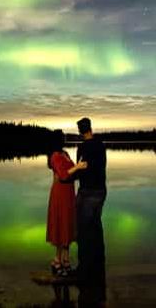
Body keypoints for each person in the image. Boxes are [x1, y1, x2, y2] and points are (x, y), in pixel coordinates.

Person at [46, 129, 87, 277]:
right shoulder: (55, 156)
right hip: (60, 194)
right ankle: (57, 261)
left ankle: (66, 260)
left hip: (69, 193)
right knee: (60, 225)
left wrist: (78, 170)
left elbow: (71, 173)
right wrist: (77, 167)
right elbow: (63, 174)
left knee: (68, 225)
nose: (64, 139)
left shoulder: (65, 154)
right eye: (62, 138)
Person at [71, 117, 107, 284]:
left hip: (87, 192)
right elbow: (100, 165)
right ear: (90, 128)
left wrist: (67, 176)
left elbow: (81, 167)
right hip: (101, 190)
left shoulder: (83, 147)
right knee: (96, 226)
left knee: (83, 230)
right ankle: (99, 263)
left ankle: (84, 268)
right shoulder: (100, 144)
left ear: (80, 131)